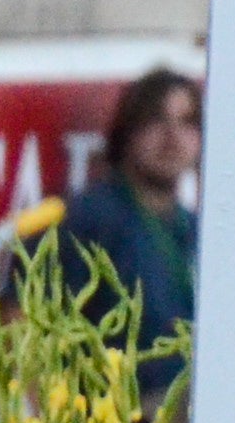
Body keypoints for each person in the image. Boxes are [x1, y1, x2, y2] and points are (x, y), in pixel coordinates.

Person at [48, 65, 199, 350]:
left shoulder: (194, 226)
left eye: (187, 122)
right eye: (157, 120)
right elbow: (21, 323)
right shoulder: (88, 219)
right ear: (129, 129)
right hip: (116, 392)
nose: (173, 137)